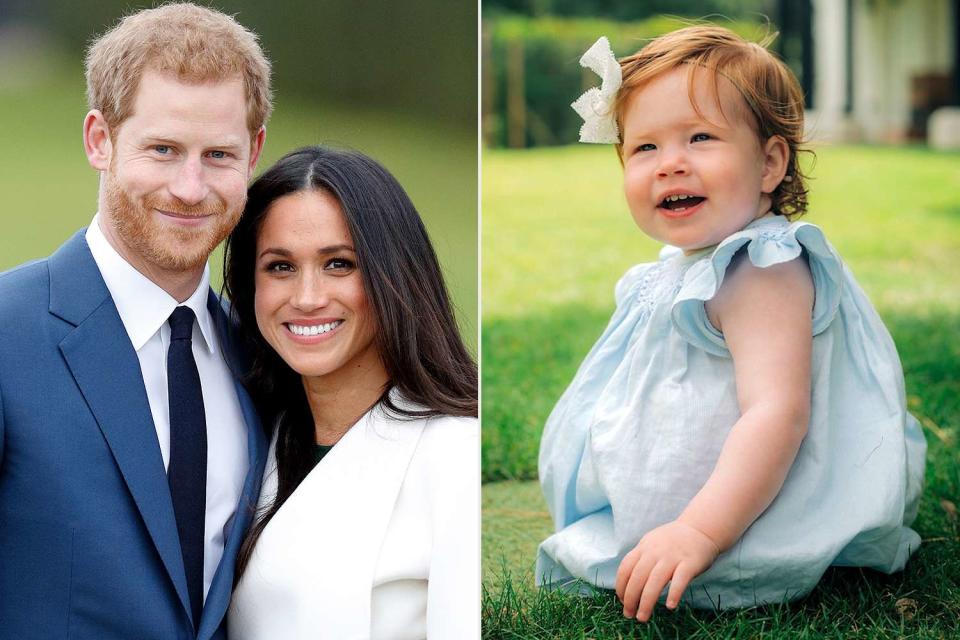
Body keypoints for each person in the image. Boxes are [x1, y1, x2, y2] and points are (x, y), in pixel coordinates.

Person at [537, 26, 926, 622]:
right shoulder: (688, 266)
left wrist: (697, 530)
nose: (670, 165)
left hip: (739, 514)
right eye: (644, 148)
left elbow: (778, 413)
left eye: (700, 137)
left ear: (770, 162)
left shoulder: (762, 268)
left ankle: (709, 544)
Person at [0, 4, 271, 638]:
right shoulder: (7, 332)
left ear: (253, 153)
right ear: (100, 139)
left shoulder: (257, 355)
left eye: (219, 155)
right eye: (163, 149)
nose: (190, 186)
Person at [223, 146, 480, 639]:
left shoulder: (454, 453)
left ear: (394, 275)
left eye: (339, 264)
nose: (307, 298)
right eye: (280, 267)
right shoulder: (254, 440)